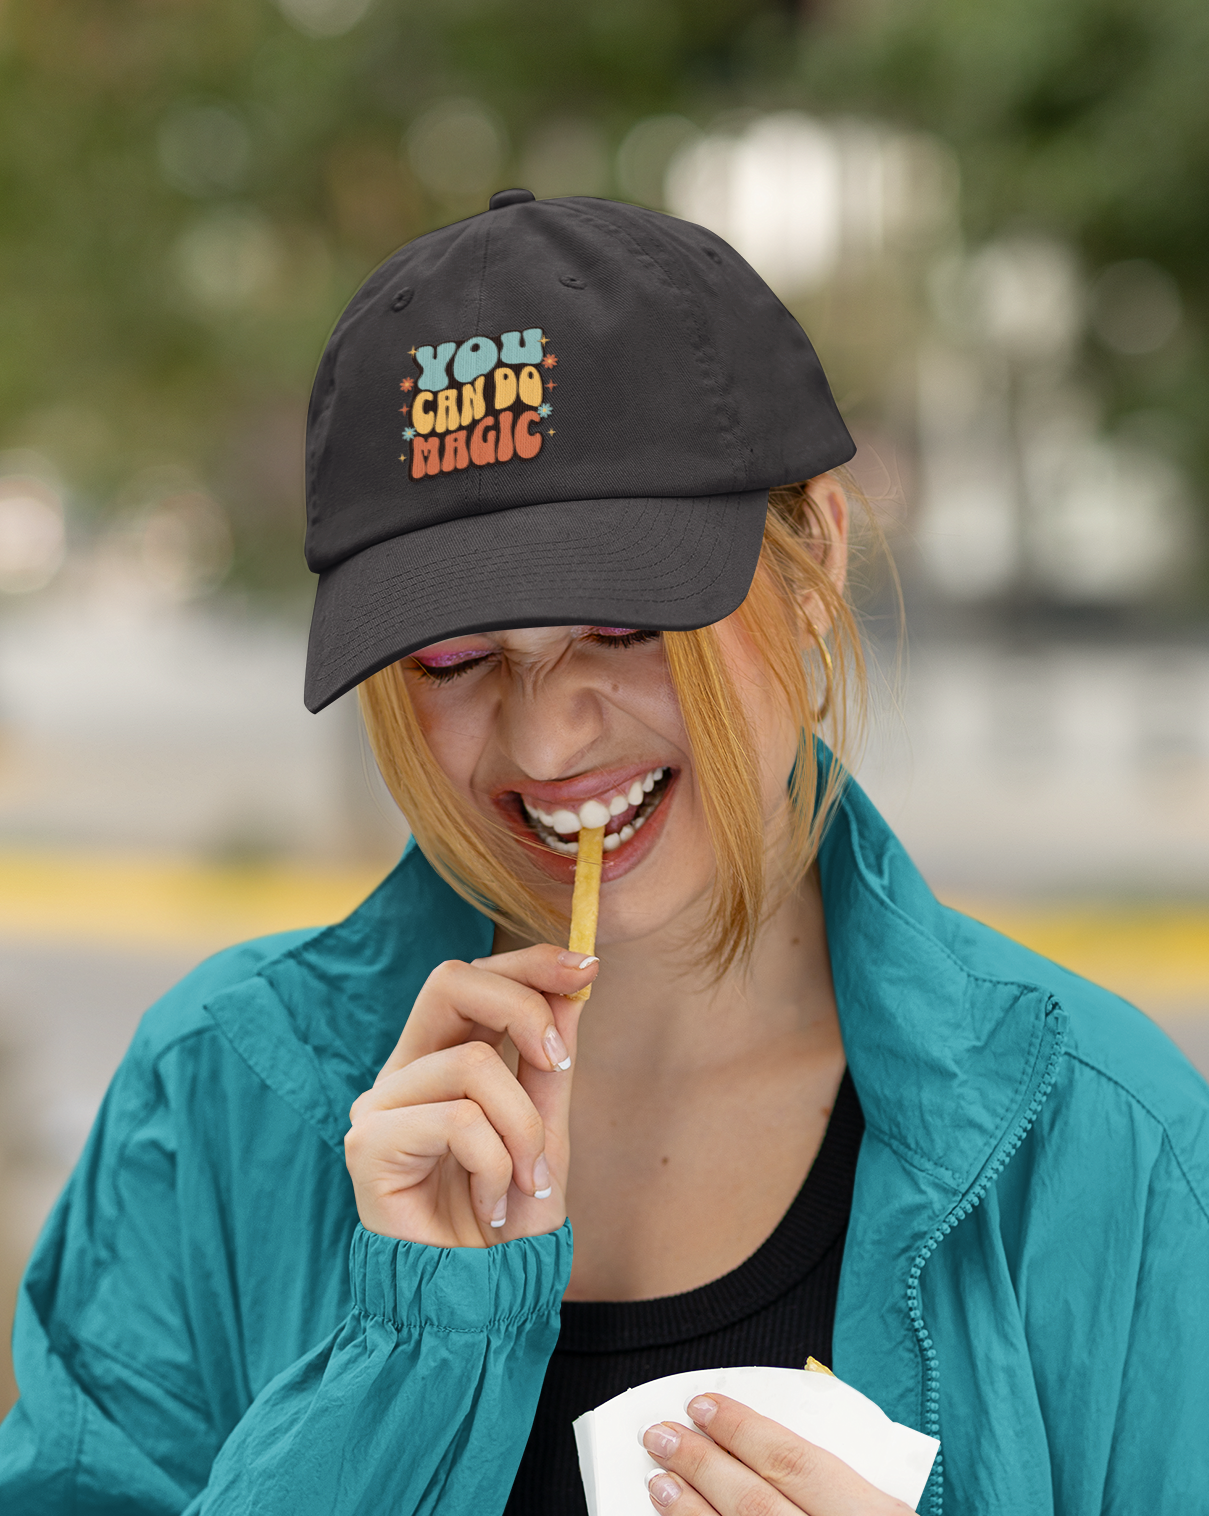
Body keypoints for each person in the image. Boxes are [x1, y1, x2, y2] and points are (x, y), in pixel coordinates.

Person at [2, 190, 1207, 1516]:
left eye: (625, 627)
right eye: (454, 661)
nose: (545, 728)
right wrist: (407, 1357)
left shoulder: (1112, 1148)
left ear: (813, 559)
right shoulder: (220, 1095)